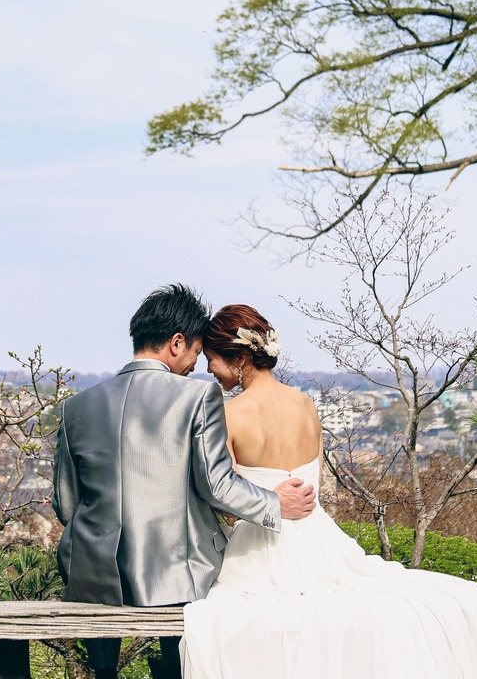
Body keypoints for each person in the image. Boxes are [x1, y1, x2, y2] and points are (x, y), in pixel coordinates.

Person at [179, 304, 477, 679]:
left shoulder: (228, 414)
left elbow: (227, 499)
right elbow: (312, 483)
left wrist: (262, 500)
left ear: (239, 358)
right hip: (320, 539)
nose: (209, 370)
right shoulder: (306, 404)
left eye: (212, 359)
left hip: (260, 547)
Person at [52, 285, 318, 679]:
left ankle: (104, 671)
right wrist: (275, 504)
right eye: (196, 352)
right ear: (176, 343)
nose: (198, 364)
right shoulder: (197, 397)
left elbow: (66, 502)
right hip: (175, 575)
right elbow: (216, 484)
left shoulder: (76, 406)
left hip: (92, 574)